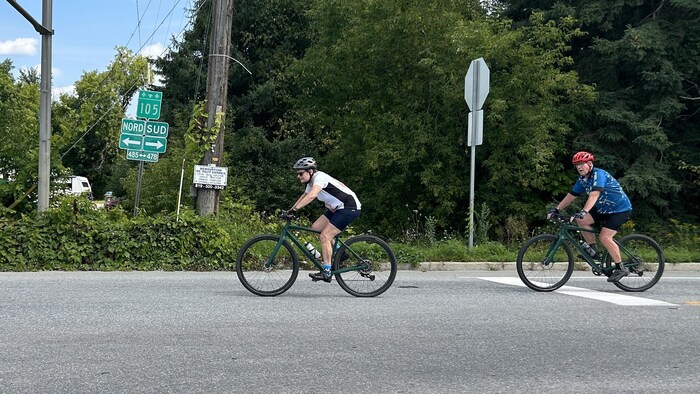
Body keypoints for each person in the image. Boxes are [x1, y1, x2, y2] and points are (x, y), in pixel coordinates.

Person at [547, 151, 633, 282]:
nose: (579, 167)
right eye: (577, 165)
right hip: (603, 209)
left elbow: (594, 195)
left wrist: (584, 211)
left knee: (604, 237)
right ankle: (594, 251)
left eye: (582, 164)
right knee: (581, 221)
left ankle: (620, 267)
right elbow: (571, 195)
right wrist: (557, 209)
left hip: (619, 209)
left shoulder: (599, 174)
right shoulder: (582, 180)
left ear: (590, 164)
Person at [288, 157, 361, 282]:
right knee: (316, 228)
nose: (298, 176)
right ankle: (340, 252)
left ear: (310, 171)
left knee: (325, 236)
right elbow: (304, 195)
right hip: (336, 209)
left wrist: (295, 210)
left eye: (301, 173)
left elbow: (312, 195)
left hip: (349, 207)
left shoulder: (319, 178)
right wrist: (290, 210)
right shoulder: (310, 182)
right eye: (297, 174)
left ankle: (327, 271)